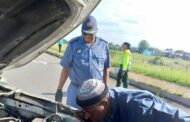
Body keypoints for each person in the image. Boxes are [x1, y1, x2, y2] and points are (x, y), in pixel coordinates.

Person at [55, 16, 111, 108]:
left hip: (96, 92)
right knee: (73, 117)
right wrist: (59, 89)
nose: (88, 37)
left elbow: (106, 69)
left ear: (96, 31)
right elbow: (66, 69)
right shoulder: (73, 44)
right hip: (76, 90)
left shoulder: (103, 46)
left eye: (91, 34)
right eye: (85, 34)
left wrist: (105, 90)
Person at [76, 79, 190, 122]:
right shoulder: (103, 107)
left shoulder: (139, 107)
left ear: (105, 103)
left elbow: (182, 118)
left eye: (90, 112)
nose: (87, 115)